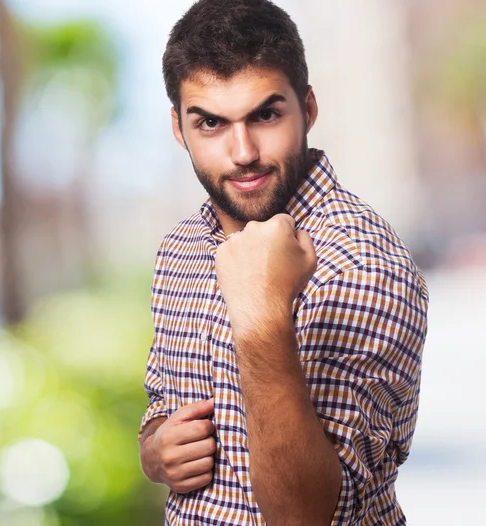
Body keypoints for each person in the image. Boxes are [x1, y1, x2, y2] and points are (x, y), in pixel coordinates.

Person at [138, 0, 429, 524]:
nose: (243, 151)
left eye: (265, 114)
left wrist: (261, 317)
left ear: (308, 109)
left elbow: (305, 518)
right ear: (179, 128)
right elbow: (160, 401)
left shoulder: (363, 264)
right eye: (210, 123)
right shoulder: (178, 249)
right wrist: (156, 451)